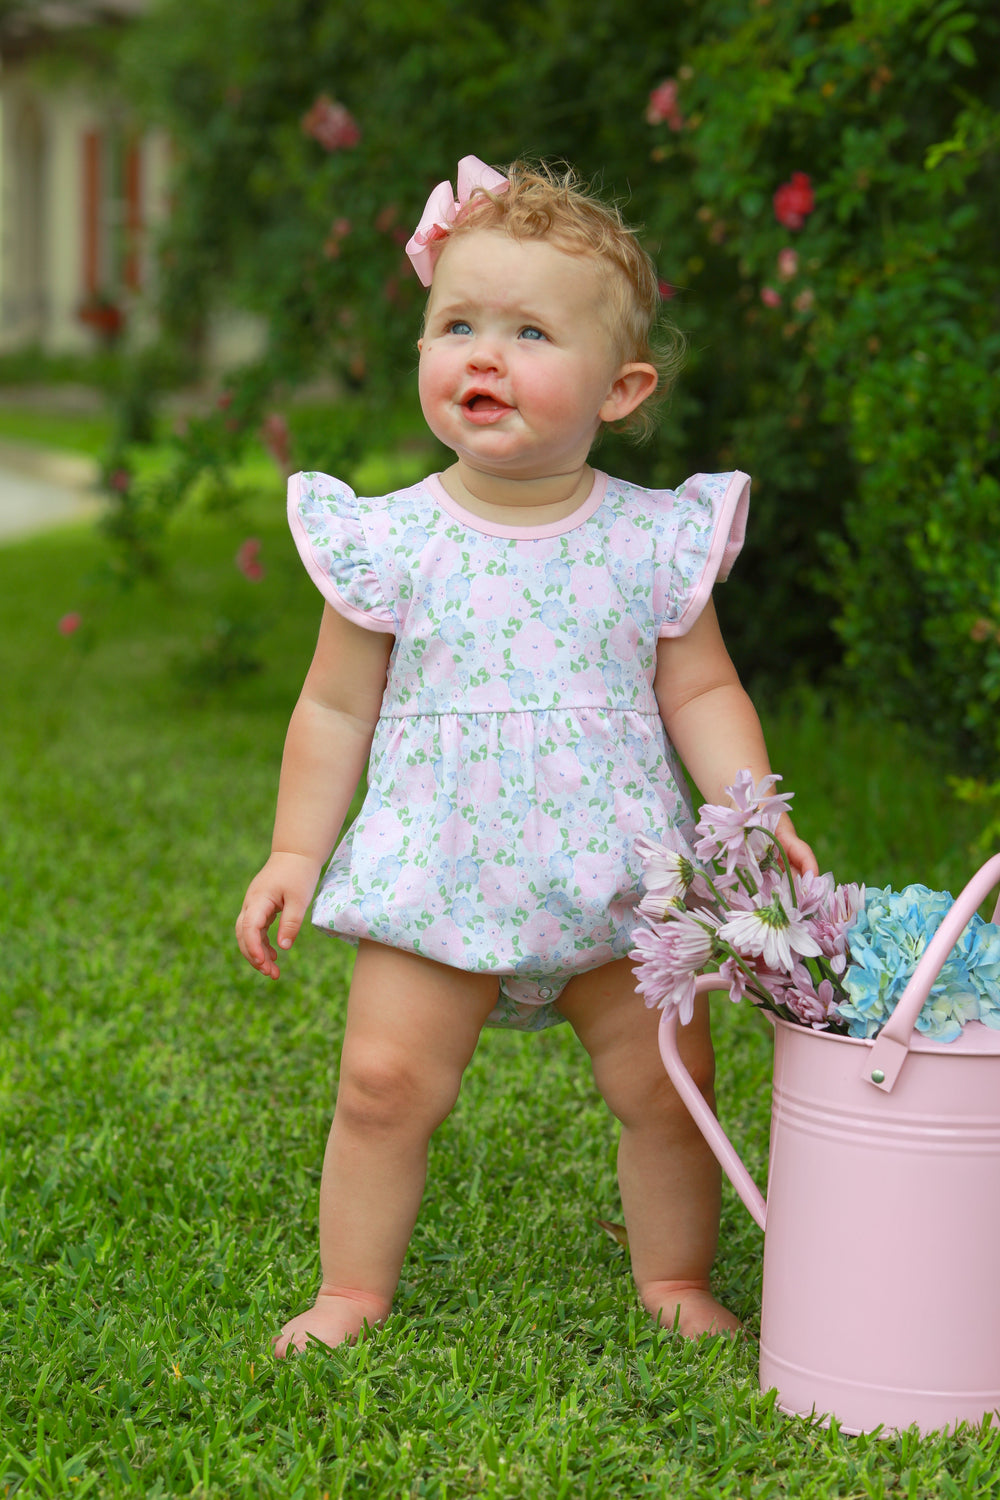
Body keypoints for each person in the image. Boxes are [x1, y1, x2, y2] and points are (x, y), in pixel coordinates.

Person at [236, 156, 817, 1357]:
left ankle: (674, 1275)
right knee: (384, 1087)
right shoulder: (389, 541)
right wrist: (298, 848)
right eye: (458, 324)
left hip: (623, 888)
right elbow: (334, 710)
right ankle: (352, 1289)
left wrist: (748, 818)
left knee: (669, 1092)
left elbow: (701, 685)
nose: (482, 355)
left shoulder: (652, 540)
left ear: (621, 386)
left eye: (530, 332)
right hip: (435, 879)